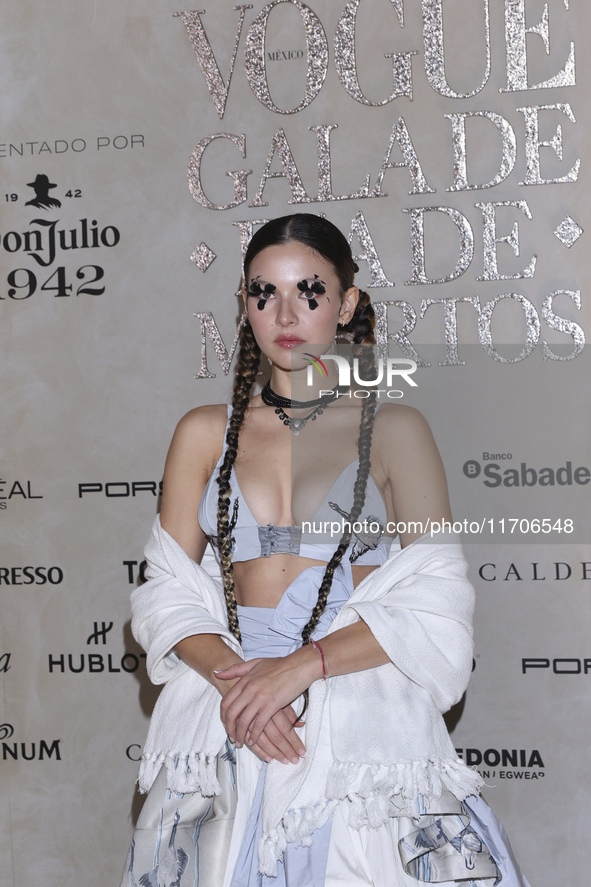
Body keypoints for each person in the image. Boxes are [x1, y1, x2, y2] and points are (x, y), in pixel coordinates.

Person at [122, 215, 530, 887]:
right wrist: (245, 683)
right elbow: (164, 591)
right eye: (262, 292)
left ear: (344, 304)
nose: (283, 312)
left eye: (307, 291)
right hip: (229, 718)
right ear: (243, 302)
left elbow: (434, 601)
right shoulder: (201, 431)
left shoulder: (396, 428)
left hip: (359, 720)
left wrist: (300, 668)